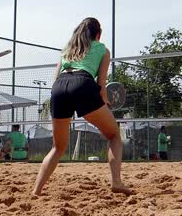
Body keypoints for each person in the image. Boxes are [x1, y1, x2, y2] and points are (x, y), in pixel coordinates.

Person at [32, 17, 132, 196]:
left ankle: (37, 190)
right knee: (114, 135)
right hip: (83, 85)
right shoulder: (102, 49)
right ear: (98, 34)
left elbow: (55, 80)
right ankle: (116, 182)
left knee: (58, 147)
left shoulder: (66, 51)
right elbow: (101, 84)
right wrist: (104, 101)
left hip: (59, 89)